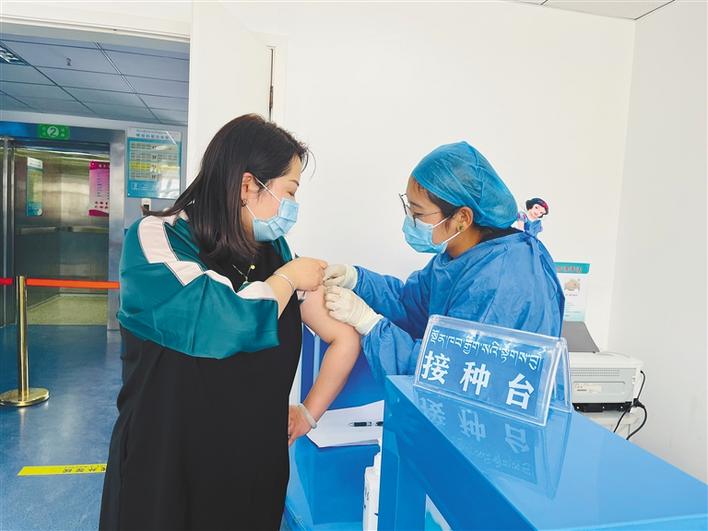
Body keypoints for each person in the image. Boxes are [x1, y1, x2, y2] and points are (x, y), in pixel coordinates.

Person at [100, 114, 360, 531]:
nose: (292, 207)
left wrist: (308, 415)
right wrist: (287, 280)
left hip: (250, 471)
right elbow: (218, 320)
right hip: (168, 465)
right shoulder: (158, 237)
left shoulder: (276, 252)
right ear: (247, 186)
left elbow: (343, 338)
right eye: (289, 192)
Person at [323, 141, 564, 382]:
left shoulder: (501, 281)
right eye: (409, 208)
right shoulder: (460, 257)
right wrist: (357, 279)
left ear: (462, 218)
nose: (410, 220)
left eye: (418, 213)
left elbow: (451, 371)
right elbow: (411, 306)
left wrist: (368, 323)